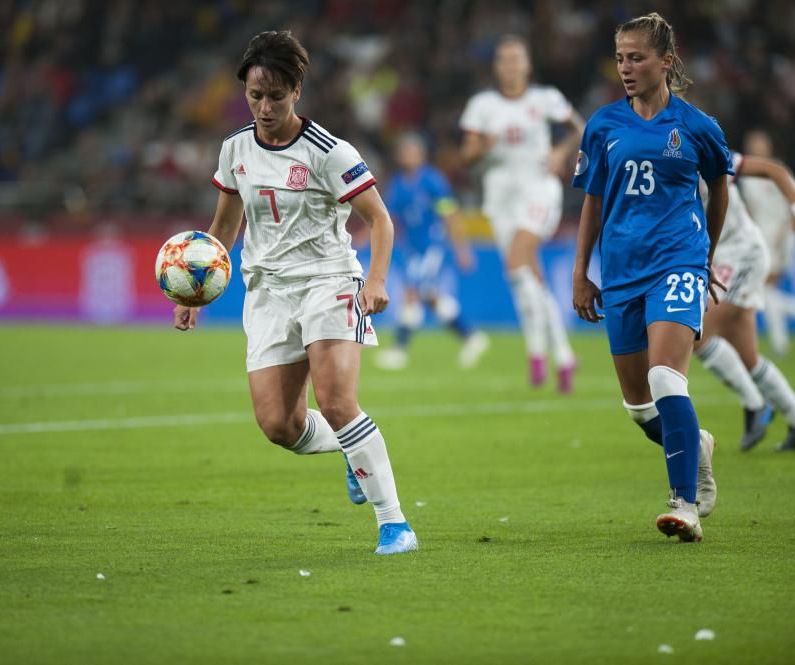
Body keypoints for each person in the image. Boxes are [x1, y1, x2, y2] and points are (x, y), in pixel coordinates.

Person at [173, 31, 416, 555]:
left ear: (297, 91)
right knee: (279, 425)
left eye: (275, 96)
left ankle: (394, 523)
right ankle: (353, 456)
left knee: (335, 401)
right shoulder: (236, 148)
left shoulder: (330, 151)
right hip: (268, 291)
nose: (264, 106)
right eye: (255, 95)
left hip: (329, 281)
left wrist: (375, 280)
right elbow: (224, 225)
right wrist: (194, 291)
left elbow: (380, 219)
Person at [571, 13, 731, 542]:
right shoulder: (603, 126)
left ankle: (684, 504)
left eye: (636, 57)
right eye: (620, 58)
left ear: (666, 61)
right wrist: (581, 273)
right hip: (621, 274)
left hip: (677, 262)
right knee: (641, 408)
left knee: (667, 379)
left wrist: (702, 257)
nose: (626, 68)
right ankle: (696, 445)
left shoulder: (698, 128)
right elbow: (593, 201)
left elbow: (719, 187)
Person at [460, 35, 584, 393]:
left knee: (518, 261)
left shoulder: (545, 99)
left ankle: (539, 353)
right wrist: (482, 146)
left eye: (517, 59)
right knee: (526, 278)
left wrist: (560, 153)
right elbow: (466, 156)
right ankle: (557, 353)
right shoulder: (482, 105)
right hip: (500, 196)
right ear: (497, 66)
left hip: (538, 189)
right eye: (504, 59)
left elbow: (581, 128)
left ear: (527, 65)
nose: (511, 65)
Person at [693, 149, 795, 451]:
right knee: (747, 355)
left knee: (692, 330)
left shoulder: (702, 148)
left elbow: (773, 169)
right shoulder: (660, 158)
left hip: (741, 254)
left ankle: (755, 403)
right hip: (721, 258)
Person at [376, 132, 490, 370]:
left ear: (421, 154)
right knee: (430, 297)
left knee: (411, 292)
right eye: (403, 152)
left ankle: (399, 350)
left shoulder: (433, 181)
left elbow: (450, 215)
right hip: (412, 249)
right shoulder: (397, 184)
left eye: (411, 151)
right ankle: (471, 337)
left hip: (431, 245)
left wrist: (462, 249)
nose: (406, 156)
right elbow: (389, 217)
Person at [737, 129, 795, 355]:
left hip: (780, 238)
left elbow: (791, 205)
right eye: (752, 143)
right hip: (761, 237)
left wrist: (783, 237)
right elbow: (752, 209)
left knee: (765, 289)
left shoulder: (777, 171)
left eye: (760, 143)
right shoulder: (747, 175)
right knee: (765, 290)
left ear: (769, 146)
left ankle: (783, 340)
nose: (756, 147)